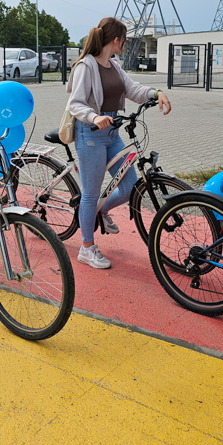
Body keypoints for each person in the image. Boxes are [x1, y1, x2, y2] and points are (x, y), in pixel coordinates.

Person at [68, 16, 171, 269]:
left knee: (129, 187)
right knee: (91, 193)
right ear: (116, 39)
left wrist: (155, 93)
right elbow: (75, 103)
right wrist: (95, 116)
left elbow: (132, 89)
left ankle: (101, 210)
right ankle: (86, 247)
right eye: (123, 39)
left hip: (112, 132)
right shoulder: (86, 66)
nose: (124, 44)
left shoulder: (114, 64)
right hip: (90, 133)